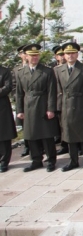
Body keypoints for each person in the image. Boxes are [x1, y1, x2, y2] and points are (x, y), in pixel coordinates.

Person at [54, 42, 83, 172]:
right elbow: (58, 91)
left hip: (82, 106)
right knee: (69, 135)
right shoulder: (58, 70)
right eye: (67, 53)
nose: (70, 55)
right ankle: (73, 161)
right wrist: (58, 108)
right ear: (64, 56)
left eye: (73, 53)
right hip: (66, 106)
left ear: (77, 54)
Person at [16, 44, 60, 172]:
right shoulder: (21, 72)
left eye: (36, 55)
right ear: (26, 57)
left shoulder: (47, 71)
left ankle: (51, 159)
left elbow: (52, 92)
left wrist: (51, 109)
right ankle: (36, 160)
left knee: (47, 135)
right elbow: (19, 93)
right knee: (31, 135)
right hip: (28, 105)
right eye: (32, 55)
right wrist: (20, 110)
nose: (34, 57)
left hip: (42, 104)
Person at [11, 45, 29, 157]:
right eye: (23, 53)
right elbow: (13, 86)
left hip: (34, 100)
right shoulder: (16, 70)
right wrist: (17, 96)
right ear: (20, 55)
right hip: (22, 100)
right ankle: (27, 146)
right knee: (25, 125)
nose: (25, 55)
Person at [0, 64, 17, 172]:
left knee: (4, 134)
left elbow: (8, 87)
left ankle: (4, 161)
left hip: (2, 106)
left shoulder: (4, 71)